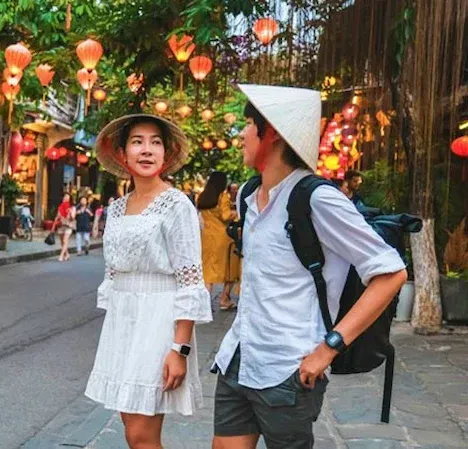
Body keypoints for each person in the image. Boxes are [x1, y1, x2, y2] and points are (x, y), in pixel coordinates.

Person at [211, 84, 407, 449]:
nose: (240, 134)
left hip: (288, 369)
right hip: (239, 356)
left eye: (247, 124)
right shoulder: (248, 195)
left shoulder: (318, 199)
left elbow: (391, 272)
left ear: (270, 133)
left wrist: (329, 348)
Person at [85, 114, 213, 448]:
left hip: (159, 322)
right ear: (122, 153)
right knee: (130, 425)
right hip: (123, 323)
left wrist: (179, 349)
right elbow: (113, 272)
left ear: (166, 154)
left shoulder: (176, 205)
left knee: (141, 434)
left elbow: (190, 280)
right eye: (137, 141)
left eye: (155, 142)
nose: (147, 150)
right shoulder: (116, 208)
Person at [197, 171, 237, 310]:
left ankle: (204, 302)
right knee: (231, 269)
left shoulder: (203, 197)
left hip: (206, 237)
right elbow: (226, 216)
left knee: (208, 270)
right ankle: (224, 299)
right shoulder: (223, 197)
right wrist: (236, 214)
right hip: (222, 237)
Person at [53, 194, 75, 262]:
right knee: (62, 241)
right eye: (65, 197)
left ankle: (61, 255)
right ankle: (67, 254)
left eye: (67, 197)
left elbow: (73, 218)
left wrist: (70, 213)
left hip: (68, 225)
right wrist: (54, 224)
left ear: (70, 199)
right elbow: (57, 216)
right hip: (61, 225)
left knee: (65, 240)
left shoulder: (72, 207)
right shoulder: (60, 206)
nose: (65, 198)